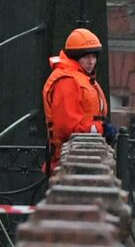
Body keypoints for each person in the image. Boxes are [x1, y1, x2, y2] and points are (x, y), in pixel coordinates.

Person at [41, 27, 114, 174]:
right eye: (86, 56)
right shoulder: (67, 81)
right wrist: (102, 129)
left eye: (94, 56)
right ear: (75, 57)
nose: (91, 61)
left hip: (81, 156)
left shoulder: (82, 78)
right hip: (70, 161)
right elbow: (67, 128)